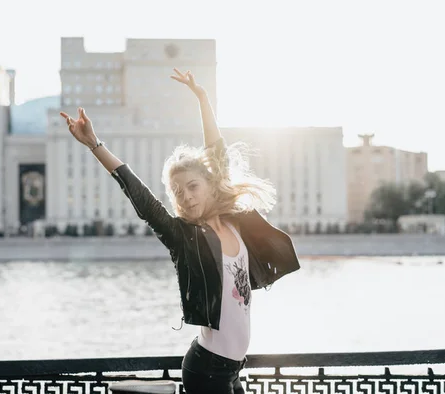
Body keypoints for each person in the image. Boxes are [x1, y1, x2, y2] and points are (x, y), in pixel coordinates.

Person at [60, 68, 300, 394]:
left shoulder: (234, 221)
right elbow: (141, 197)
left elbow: (217, 151)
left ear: (211, 185)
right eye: (178, 192)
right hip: (207, 370)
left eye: (192, 186)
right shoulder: (183, 237)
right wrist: (94, 144)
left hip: (232, 371)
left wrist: (202, 98)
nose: (186, 196)